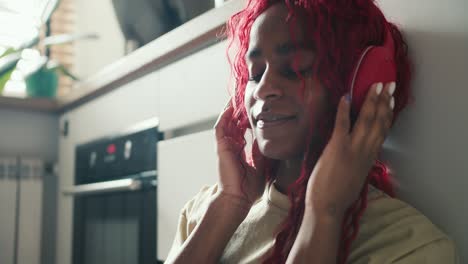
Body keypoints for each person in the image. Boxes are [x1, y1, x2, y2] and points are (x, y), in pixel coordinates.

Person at [165, 0, 458, 263]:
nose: (263, 90)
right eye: (255, 74)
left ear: (361, 86)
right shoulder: (206, 212)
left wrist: (324, 214)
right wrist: (230, 202)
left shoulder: (410, 247)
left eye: (294, 69)